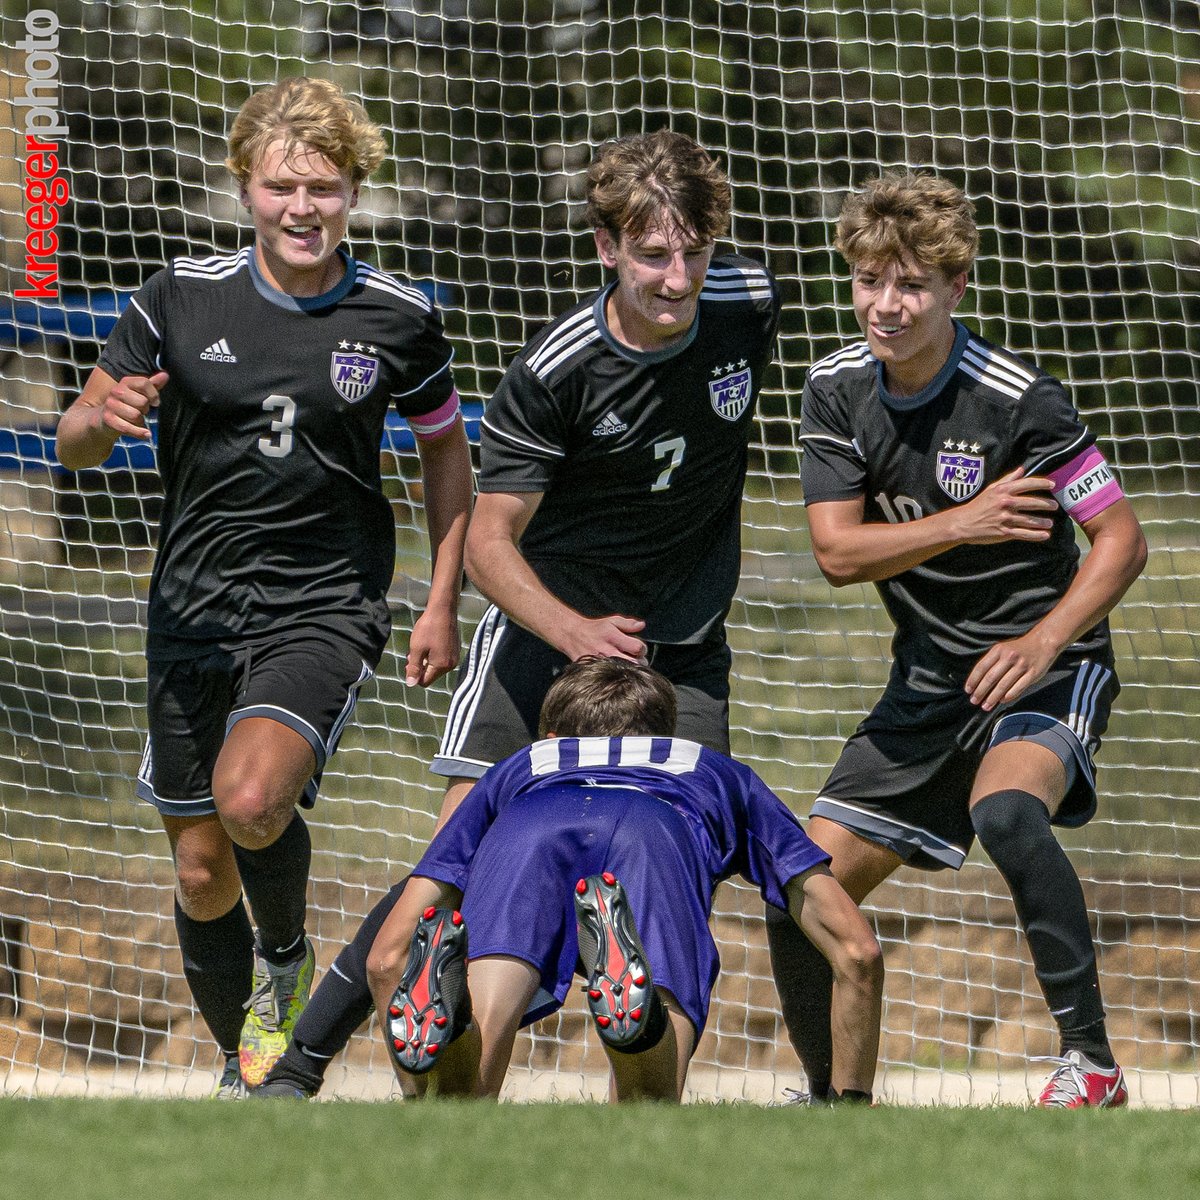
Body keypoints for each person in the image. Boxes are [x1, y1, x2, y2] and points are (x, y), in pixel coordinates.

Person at [258, 128, 802, 1097]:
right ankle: (308, 1060)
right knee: (458, 863)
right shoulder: (555, 371)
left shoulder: (748, 304)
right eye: (650, 255)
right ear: (605, 247)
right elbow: (488, 542)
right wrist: (574, 632)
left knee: (677, 863)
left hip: (681, 650)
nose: (676, 279)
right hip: (544, 645)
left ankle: (626, 1045)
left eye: (693, 253)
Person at [54, 77, 473, 1098]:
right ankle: (248, 1083)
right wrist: (103, 416)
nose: (303, 208)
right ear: (246, 186)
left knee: (251, 800)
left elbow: (447, 459)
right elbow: (73, 441)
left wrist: (441, 598)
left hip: (323, 606)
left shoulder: (399, 319)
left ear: (352, 193)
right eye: (283, 185)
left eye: (325, 189)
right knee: (201, 870)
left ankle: (282, 960)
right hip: (190, 609)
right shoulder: (176, 299)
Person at [765, 171, 1148, 1108]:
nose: (885, 306)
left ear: (955, 288)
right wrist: (964, 522)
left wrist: (1050, 637)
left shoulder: (1020, 400)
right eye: (867, 281)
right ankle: (830, 1103)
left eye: (910, 286)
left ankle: (1090, 1067)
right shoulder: (834, 389)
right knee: (798, 890)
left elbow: (1124, 540)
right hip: (932, 681)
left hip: (1048, 665)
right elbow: (837, 553)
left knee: (1007, 813)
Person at [363, 657, 882, 1102]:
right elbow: (857, 951)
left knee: (463, 1089)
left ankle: (453, 1025)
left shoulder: (522, 765)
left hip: (527, 828)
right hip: (653, 833)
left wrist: (419, 1102)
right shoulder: (715, 770)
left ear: (552, 736)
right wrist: (851, 1099)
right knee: (647, 1107)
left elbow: (386, 957)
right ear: (664, 734)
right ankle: (638, 1017)